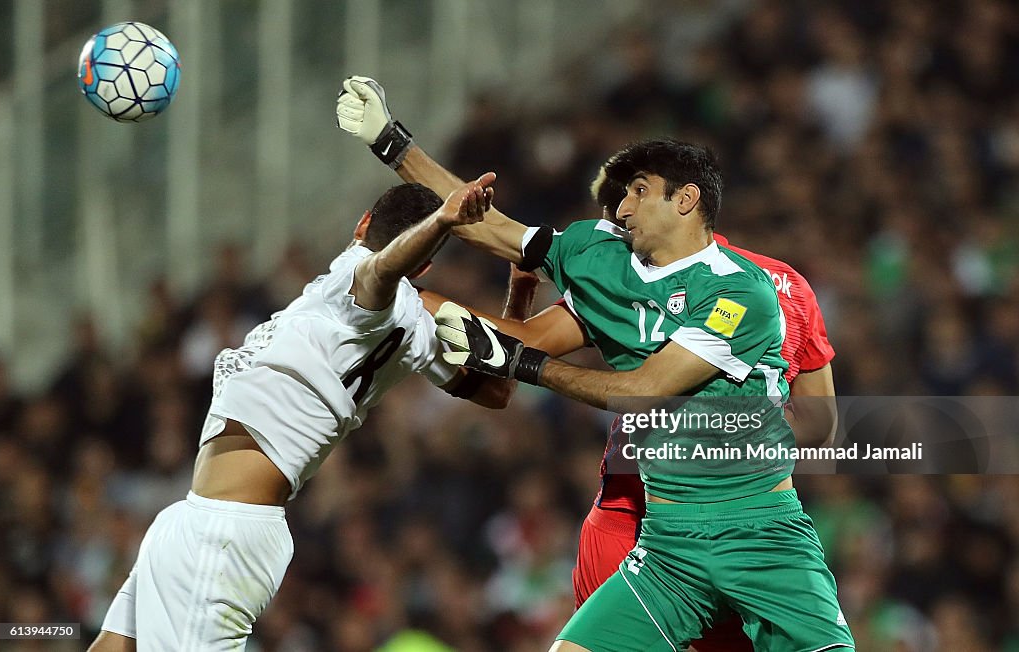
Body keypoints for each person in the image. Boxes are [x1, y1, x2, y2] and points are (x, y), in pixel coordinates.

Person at [337, 78, 853, 651]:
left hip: (756, 528)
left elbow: (649, 388)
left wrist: (521, 362)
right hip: (663, 539)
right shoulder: (599, 258)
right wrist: (392, 143)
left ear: (684, 201)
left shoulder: (753, 289)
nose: (621, 207)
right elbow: (488, 224)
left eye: (636, 191)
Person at [88, 176, 531, 651]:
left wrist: (444, 218)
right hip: (195, 518)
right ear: (425, 267)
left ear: (363, 225)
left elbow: (378, 273)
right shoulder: (420, 329)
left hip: (225, 529)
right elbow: (498, 390)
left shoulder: (357, 272)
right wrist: (521, 285)